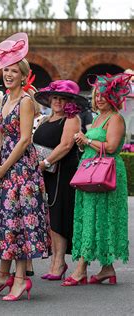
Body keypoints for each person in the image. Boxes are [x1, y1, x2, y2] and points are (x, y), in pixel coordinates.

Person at [0, 33, 51, 301]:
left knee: (19, 221)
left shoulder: (26, 101)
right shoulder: (4, 100)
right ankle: (2, 275)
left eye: (13, 71)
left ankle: (20, 281)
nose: (8, 74)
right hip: (5, 168)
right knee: (4, 220)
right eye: (6, 70)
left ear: (23, 75)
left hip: (21, 170)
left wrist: (4, 167)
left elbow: (24, 140)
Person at [67, 73, 131, 286]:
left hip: (107, 173)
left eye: (104, 95)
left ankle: (80, 270)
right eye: (96, 95)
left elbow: (111, 148)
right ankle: (107, 268)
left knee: (101, 217)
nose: (99, 99)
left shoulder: (116, 118)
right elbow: (94, 143)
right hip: (90, 171)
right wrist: (82, 143)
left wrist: (87, 140)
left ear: (113, 97)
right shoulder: (98, 118)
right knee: (89, 217)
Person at [33, 80, 88, 280]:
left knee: (58, 216)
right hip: (45, 172)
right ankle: (56, 261)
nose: (57, 102)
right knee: (49, 218)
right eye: (55, 97)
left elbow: (65, 146)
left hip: (62, 172)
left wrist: (44, 163)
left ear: (69, 101)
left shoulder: (71, 119)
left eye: (62, 98)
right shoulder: (44, 119)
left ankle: (59, 263)